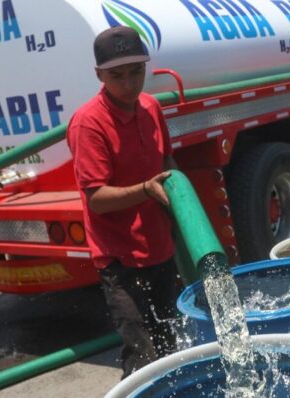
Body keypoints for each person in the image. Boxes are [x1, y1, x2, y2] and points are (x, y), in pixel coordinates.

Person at [66, 26, 181, 378]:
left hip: (160, 247)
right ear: (99, 74)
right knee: (142, 354)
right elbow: (97, 199)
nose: (130, 83)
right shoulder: (89, 124)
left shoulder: (150, 107)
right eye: (117, 75)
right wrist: (146, 189)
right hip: (121, 258)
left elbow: (168, 164)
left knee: (172, 343)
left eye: (137, 72)